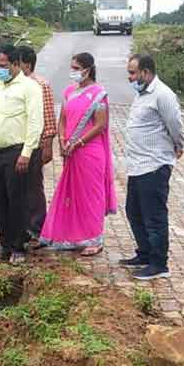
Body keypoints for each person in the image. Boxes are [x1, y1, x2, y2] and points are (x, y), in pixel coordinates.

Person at [38, 53, 117, 255]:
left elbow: (100, 125)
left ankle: (95, 239)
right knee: (73, 194)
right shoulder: (69, 92)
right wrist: (63, 140)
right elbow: (62, 119)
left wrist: (79, 142)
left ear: (87, 70)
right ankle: (72, 235)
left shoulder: (99, 93)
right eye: (71, 67)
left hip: (90, 152)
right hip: (70, 151)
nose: (72, 72)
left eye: (76, 68)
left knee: (91, 195)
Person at [120, 53, 184, 280]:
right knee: (134, 212)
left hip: (154, 165)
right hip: (137, 165)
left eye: (132, 72)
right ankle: (145, 253)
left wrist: (178, 145)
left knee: (154, 216)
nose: (129, 77)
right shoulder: (141, 93)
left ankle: (159, 264)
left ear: (146, 72)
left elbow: (175, 124)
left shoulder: (163, 95)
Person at [0, 44, 44, 264]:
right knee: (1, 199)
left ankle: (18, 246)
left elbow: (36, 122)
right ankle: (5, 244)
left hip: (17, 151)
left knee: (17, 199)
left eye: (3, 65)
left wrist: (27, 153)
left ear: (16, 64)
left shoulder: (30, 87)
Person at [17, 45, 57, 243]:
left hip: (35, 144)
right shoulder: (13, 85)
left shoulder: (41, 84)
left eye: (18, 62)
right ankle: (22, 225)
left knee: (33, 186)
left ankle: (38, 226)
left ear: (27, 64)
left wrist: (47, 145)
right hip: (17, 144)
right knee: (19, 186)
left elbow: (49, 119)